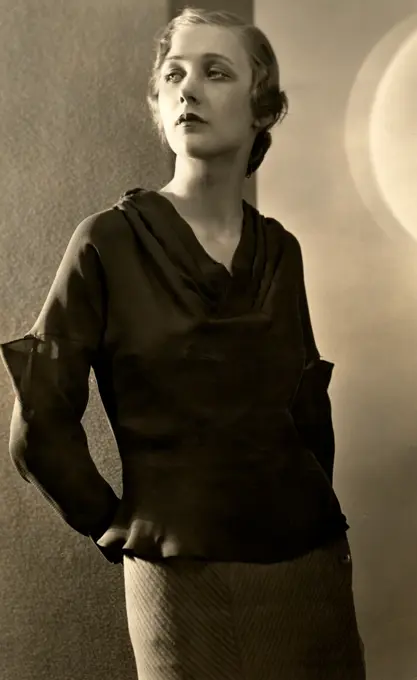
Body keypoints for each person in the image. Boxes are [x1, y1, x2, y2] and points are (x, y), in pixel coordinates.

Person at [0, 6, 366, 680]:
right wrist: (116, 525)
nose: (187, 89)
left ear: (260, 108)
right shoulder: (106, 241)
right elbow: (39, 427)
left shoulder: (278, 249)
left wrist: (323, 523)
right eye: (172, 75)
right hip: (180, 579)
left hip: (310, 571)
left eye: (214, 72)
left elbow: (307, 411)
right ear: (157, 104)